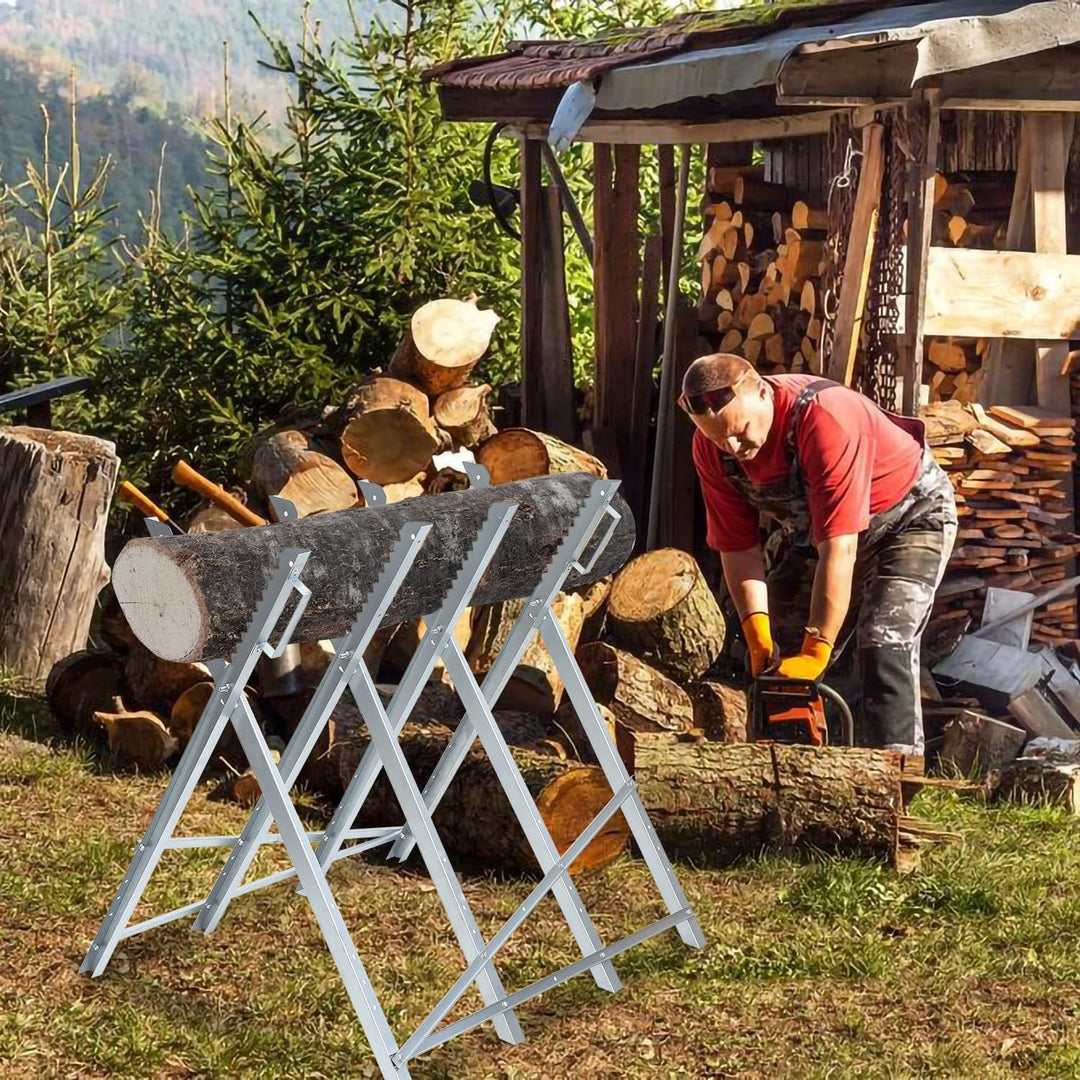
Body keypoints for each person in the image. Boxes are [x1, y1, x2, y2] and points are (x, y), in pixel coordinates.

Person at [680, 353, 957, 755]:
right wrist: (758, 632)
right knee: (781, 645)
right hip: (821, 534)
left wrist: (818, 648)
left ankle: (898, 773)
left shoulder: (825, 418)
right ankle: (793, 766)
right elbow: (738, 547)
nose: (733, 447)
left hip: (909, 519)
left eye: (739, 432)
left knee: (883, 636)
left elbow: (841, 549)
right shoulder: (711, 451)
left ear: (762, 391)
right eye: (719, 438)